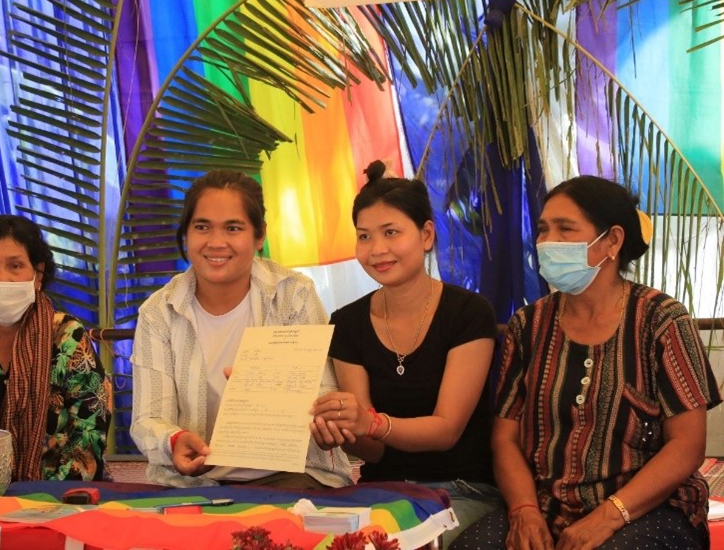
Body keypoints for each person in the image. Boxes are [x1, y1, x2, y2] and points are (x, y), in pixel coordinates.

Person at [453, 175, 721, 550]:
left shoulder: (662, 320)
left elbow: (687, 446)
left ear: (611, 241)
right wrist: (525, 510)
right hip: (546, 506)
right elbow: (505, 438)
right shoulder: (527, 326)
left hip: (647, 509)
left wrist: (609, 516)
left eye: (565, 229)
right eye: (544, 230)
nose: (547, 242)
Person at [309, 160, 501, 547]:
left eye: (391, 232)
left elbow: (446, 430)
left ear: (426, 234)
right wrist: (339, 431)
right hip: (380, 492)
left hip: (460, 490)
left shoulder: (469, 313)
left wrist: (370, 422)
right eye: (364, 236)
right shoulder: (346, 323)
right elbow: (371, 449)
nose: (376, 250)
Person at [130, 169, 352, 489]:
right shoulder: (159, 313)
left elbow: (322, 393)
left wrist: (321, 416)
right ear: (186, 234)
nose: (216, 242)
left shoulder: (293, 295)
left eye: (233, 228)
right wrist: (173, 440)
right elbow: (147, 419)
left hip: (292, 476)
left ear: (259, 236)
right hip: (190, 484)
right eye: (202, 227)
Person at [0, 214, 111, 482]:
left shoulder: (67, 337)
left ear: (37, 275)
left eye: (15, 266)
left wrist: (34, 501)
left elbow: (88, 437)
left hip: (61, 500)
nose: (3, 278)